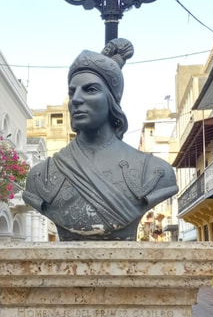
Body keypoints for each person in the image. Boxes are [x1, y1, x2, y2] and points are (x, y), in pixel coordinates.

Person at [24, 40, 177, 240]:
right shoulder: (40, 177)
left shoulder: (154, 173)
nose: (76, 99)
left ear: (111, 99)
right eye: (72, 92)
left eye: (90, 90)